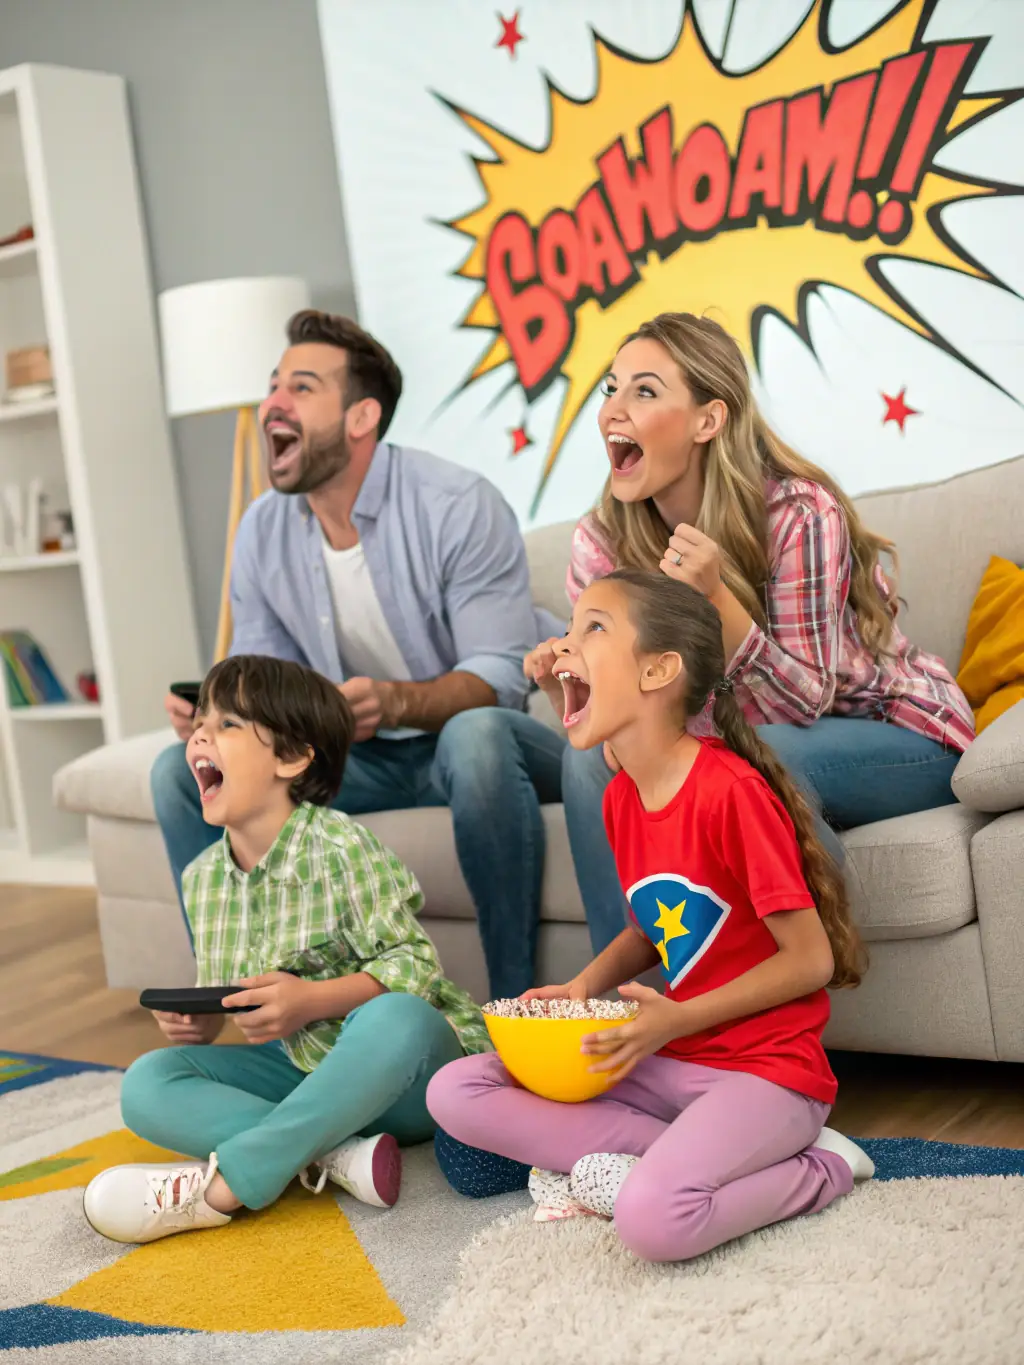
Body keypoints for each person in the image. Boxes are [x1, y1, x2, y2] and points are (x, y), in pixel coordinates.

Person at [427, 571, 875, 1263]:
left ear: (660, 669)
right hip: (671, 1059)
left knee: (652, 1222)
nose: (564, 645)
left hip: (766, 1074)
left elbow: (810, 960)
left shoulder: (731, 794)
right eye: (569, 628)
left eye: (592, 628)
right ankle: (681, 1155)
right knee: (456, 1089)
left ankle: (820, 1166)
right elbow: (656, 927)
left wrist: (676, 1018)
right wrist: (581, 989)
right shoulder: (623, 796)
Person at [520, 311, 975, 952]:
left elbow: (803, 703)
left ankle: (797, 978)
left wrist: (720, 601)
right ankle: (617, 1012)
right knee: (594, 762)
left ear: (708, 419)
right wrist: (568, 682)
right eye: (611, 389)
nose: (613, 411)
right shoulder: (601, 542)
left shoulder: (797, 513)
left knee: (749, 764)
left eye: (644, 391)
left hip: (894, 731)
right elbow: (626, 717)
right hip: (734, 740)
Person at [153, 309, 566, 1000]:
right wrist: (214, 722)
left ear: (361, 416)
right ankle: (242, 998)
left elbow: (501, 676)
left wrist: (398, 700)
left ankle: (511, 1008)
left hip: (468, 750)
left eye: (302, 387)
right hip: (355, 759)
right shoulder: (262, 531)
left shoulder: (457, 504)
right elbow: (265, 688)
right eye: (273, 385)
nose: (273, 403)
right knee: (176, 770)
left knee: (477, 736)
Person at [84, 654, 491, 1244]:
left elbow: (416, 967)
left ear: (292, 757)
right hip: (302, 1077)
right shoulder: (202, 878)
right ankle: (333, 1154)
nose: (200, 732)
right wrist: (195, 1024)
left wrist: (314, 1000)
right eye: (201, 721)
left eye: (227, 724)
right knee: (147, 1082)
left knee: (397, 1014)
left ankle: (229, 1185)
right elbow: (231, 994)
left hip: (406, 1078)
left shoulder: (342, 845)